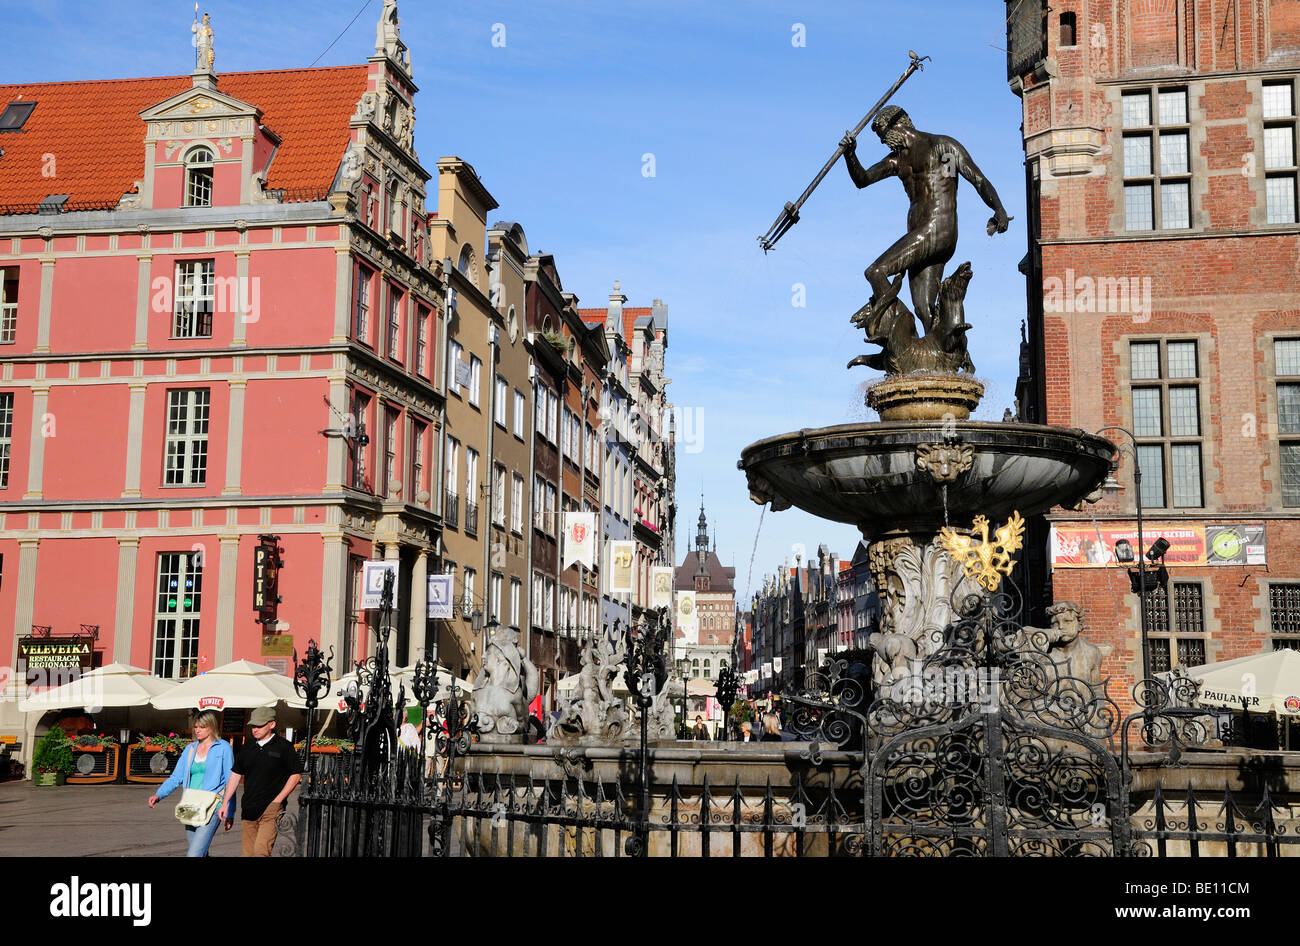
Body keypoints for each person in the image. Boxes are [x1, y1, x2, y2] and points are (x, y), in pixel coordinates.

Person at [218, 706, 302, 857]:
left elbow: (295, 775)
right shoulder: (248, 746)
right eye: (253, 725)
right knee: (248, 854)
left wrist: (278, 800)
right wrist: (225, 803)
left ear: (272, 724)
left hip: (271, 808)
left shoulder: (284, 746)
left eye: (260, 725)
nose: (255, 729)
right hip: (248, 807)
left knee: (261, 852)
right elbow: (235, 775)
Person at [148, 710, 232, 857]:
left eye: (202, 727)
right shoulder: (190, 749)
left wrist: (230, 810)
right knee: (200, 852)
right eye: (196, 727)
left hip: (213, 806)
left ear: (211, 727)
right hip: (191, 804)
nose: (197, 730)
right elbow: (176, 777)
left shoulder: (223, 747)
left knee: (194, 854)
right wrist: (159, 794)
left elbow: (231, 780)